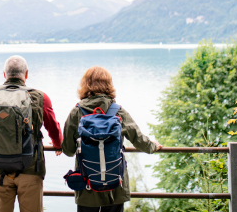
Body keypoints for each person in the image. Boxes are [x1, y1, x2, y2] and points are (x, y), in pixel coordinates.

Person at [0, 55, 63, 212]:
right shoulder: (40, 97)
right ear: (26, 74)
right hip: (30, 169)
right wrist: (58, 144)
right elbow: (53, 128)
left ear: (4, 74)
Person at [62, 66, 163, 212]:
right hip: (116, 183)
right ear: (108, 85)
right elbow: (138, 139)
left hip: (87, 183)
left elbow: (69, 150)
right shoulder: (117, 111)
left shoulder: (77, 112)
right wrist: (153, 146)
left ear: (85, 85)